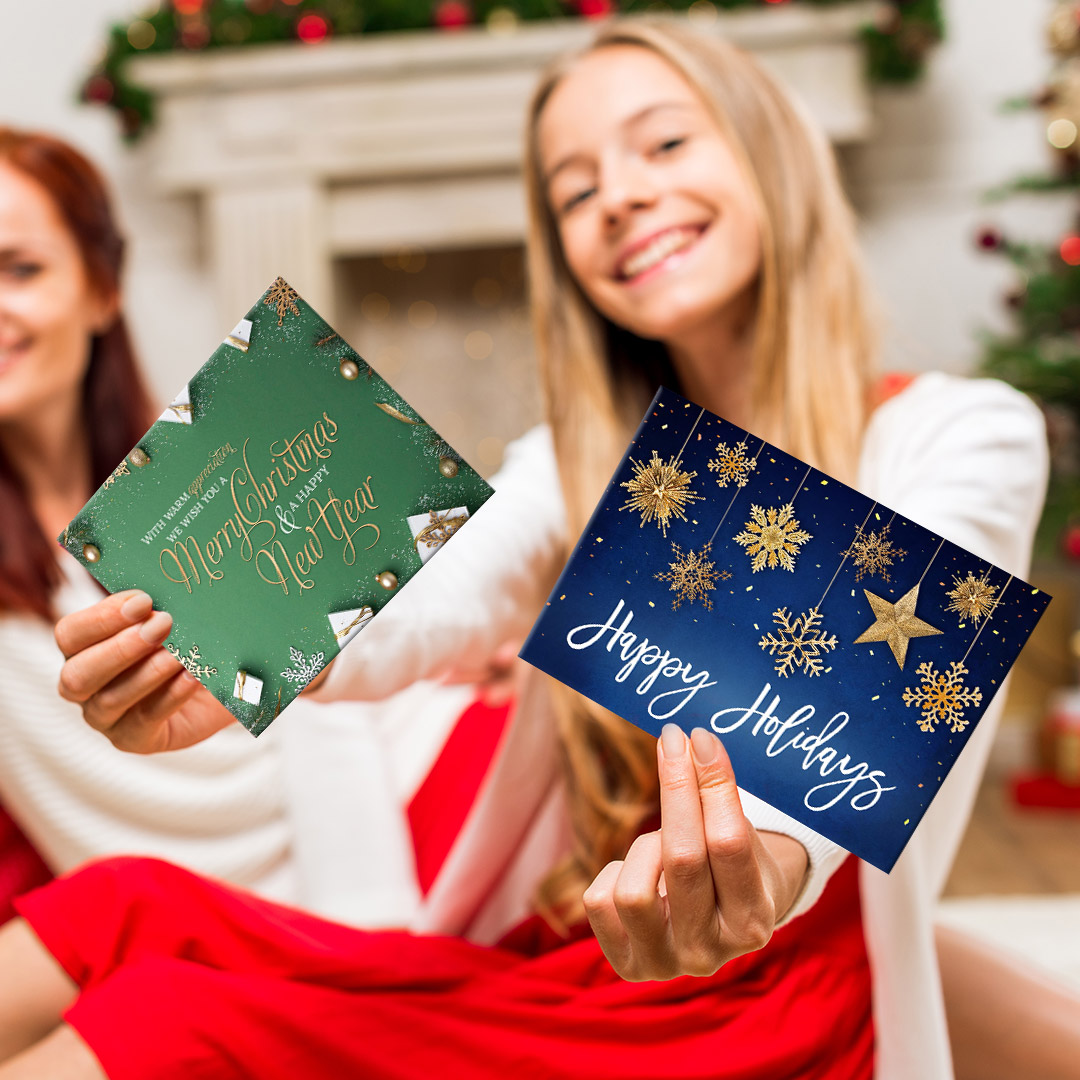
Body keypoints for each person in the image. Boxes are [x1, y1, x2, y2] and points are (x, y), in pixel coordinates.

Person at [0, 17, 1075, 1080]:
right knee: (122, 907)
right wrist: (264, 647)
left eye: (663, 145)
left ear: (773, 155)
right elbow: (439, 596)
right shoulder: (576, 462)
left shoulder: (957, 429)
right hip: (577, 968)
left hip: (768, 998)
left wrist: (768, 867)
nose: (619, 197)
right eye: (573, 189)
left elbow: (880, 707)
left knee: (165, 1023)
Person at [0, 126, 478, 927]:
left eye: (20, 268)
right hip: (217, 909)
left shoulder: (205, 470)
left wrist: (446, 641)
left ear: (102, 288)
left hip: (407, 800)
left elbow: (331, 688)